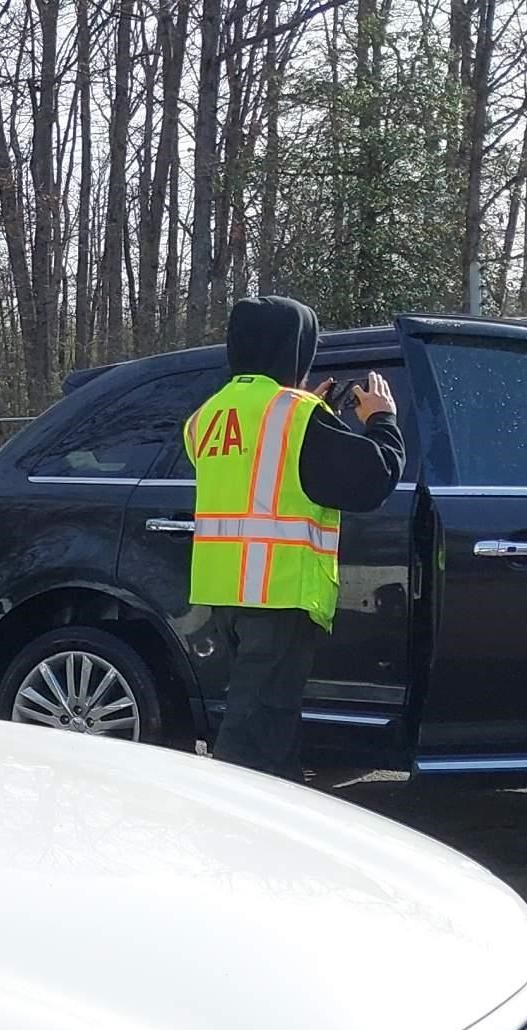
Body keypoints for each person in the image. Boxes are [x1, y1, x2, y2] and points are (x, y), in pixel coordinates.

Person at [186, 296, 405, 777]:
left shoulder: (209, 413)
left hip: (225, 589)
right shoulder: (294, 413)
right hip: (277, 590)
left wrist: (317, 415)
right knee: (257, 731)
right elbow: (372, 479)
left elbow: (268, 475)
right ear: (294, 351)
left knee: (258, 716)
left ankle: (260, 808)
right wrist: (381, 420)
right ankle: (242, 823)